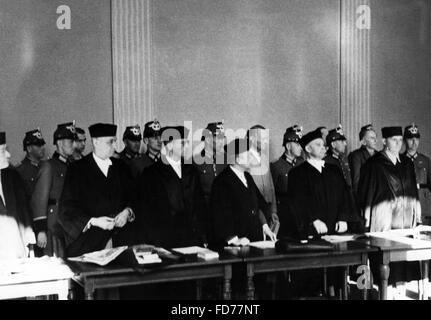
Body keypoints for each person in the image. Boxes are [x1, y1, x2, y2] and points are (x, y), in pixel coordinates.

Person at [358, 126, 421, 293]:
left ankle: (402, 291)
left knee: (404, 262)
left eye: (400, 140)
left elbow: (413, 193)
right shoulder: (374, 164)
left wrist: (416, 214)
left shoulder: (406, 163)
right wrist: (365, 220)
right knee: (383, 262)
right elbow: (366, 194)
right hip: (383, 220)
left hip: (405, 220)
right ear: (385, 141)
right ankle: (382, 292)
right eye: (394, 140)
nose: (398, 143)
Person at [58, 123, 135, 257]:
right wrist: (93, 221)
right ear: (96, 142)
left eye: (115, 142)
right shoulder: (78, 169)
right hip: (90, 242)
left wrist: (127, 212)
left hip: (122, 240)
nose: (114, 147)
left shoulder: (122, 167)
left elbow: (134, 197)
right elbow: (67, 209)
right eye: (110, 142)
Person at [136, 126, 206, 248]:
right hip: (165, 241)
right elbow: (147, 212)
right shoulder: (152, 173)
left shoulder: (192, 170)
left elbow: (200, 206)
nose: (187, 146)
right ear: (169, 146)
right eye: (183, 143)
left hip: (192, 240)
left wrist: (203, 236)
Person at [288, 129, 358, 238]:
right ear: (308, 148)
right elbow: (297, 202)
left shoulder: (334, 170)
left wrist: (343, 218)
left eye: (323, 145)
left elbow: (344, 196)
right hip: (312, 231)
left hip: (336, 229)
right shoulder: (297, 173)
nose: (323, 148)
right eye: (318, 145)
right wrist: (314, 220)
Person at [211, 137, 276, 247]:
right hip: (236, 244)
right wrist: (234, 239)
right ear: (237, 159)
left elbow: (259, 204)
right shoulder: (222, 182)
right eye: (248, 155)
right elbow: (220, 216)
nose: (252, 158)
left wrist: (265, 227)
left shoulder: (248, 177)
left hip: (254, 239)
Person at [31, 122, 77, 257]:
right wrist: (41, 230)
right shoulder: (48, 166)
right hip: (54, 224)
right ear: (59, 142)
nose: (74, 145)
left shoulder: (73, 166)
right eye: (70, 141)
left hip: (71, 225)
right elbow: (39, 200)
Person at [0, 132, 36, 259]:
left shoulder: (12, 176)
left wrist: (29, 234)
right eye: (3, 151)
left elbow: (23, 207)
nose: (9, 155)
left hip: (16, 247)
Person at [193, 121, 228, 243]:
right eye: (218, 138)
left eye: (223, 138)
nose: (222, 141)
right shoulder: (195, 162)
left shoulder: (226, 160)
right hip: (205, 217)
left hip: (224, 216)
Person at [270, 125, 304, 238]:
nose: (301, 147)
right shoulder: (276, 166)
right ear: (288, 146)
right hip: (285, 214)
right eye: (298, 144)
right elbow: (272, 192)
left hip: (301, 214)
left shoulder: (302, 164)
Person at [247, 125, 279, 231]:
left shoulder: (264, 158)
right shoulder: (244, 159)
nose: (266, 141)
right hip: (254, 210)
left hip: (267, 210)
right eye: (263, 138)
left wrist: (273, 210)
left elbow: (271, 186)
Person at [403, 124, 431, 224]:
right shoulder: (400, 160)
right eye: (411, 139)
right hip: (406, 204)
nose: (414, 142)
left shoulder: (425, 160)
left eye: (417, 139)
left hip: (423, 205)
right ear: (404, 140)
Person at [348, 124, 377, 198]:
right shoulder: (356, 156)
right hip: (364, 197)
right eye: (372, 138)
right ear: (363, 141)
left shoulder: (379, 155)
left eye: (375, 137)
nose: (375, 140)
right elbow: (356, 181)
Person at [16, 128, 46, 197]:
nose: (42, 148)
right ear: (29, 149)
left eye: (42, 145)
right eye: (38, 145)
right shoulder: (20, 171)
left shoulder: (46, 166)